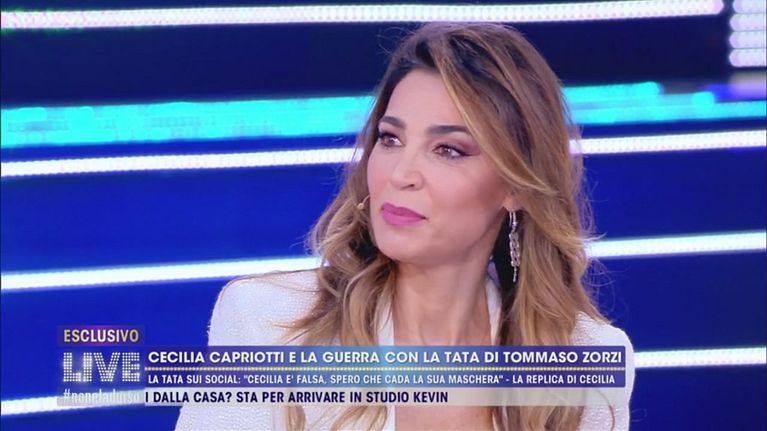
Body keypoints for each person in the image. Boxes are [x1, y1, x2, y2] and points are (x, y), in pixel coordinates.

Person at [176, 22, 635, 430]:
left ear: (515, 186)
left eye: (448, 150)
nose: (401, 174)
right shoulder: (270, 324)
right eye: (391, 139)